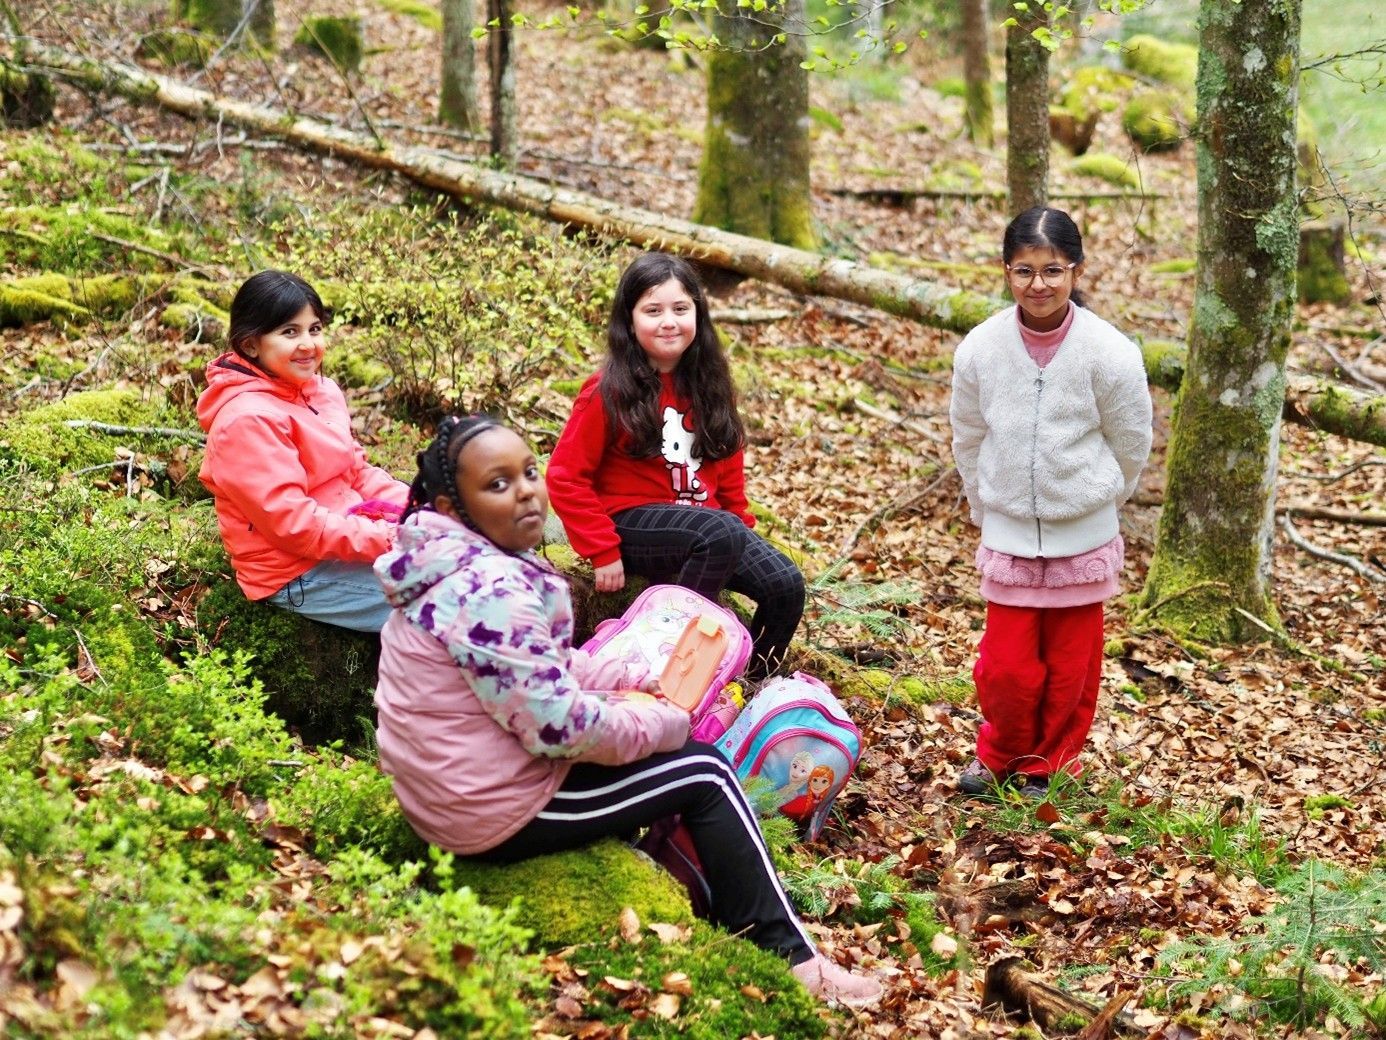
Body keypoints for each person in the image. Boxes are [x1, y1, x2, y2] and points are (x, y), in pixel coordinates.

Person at [372, 415, 881, 1008]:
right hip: (486, 808)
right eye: (497, 484)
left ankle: (696, 883)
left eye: (529, 473)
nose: (526, 492)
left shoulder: (457, 566)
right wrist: (663, 724)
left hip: (466, 778)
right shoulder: (489, 589)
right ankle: (791, 957)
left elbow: (539, 666)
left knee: (669, 755)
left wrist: (626, 680)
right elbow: (557, 727)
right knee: (705, 771)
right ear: (450, 506)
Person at [949, 207, 1153, 799]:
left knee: (1071, 668)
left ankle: (1050, 763)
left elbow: (1132, 441)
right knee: (1006, 665)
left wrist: (1101, 497)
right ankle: (1001, 752)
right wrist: (984, 506)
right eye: (1024, 270)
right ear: (1005, 271)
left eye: (1053, 270)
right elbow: (968, 434)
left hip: (1082, 537)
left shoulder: (1110, 352)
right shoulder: (981, 349)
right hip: (1008, 532)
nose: (1038, 284)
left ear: (1077, 271)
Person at [546, 252, 804, 680]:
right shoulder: (606, 391)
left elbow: (728, 474)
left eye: (681, 309)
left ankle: (746, 682)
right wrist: (602, 549)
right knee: (719, 531)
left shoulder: (711, 387)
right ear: (629, 321)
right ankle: (669, 665)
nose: (669, 321)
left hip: (705, 528)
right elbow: (565, 476)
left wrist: (741, 530)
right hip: (630, 523)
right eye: (653, 310)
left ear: (698, 317)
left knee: (785, 584)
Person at [197, 270, 408, 632]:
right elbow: (294, 525)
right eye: (289, 332)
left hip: (348, 532)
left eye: (315, 329)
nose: (308, 344)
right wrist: (390, 538)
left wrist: (422, 510)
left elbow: (356, 472)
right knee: (449, 600)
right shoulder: (246, 420)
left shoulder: (320, 391)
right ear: (251, 345)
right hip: (295, 571)